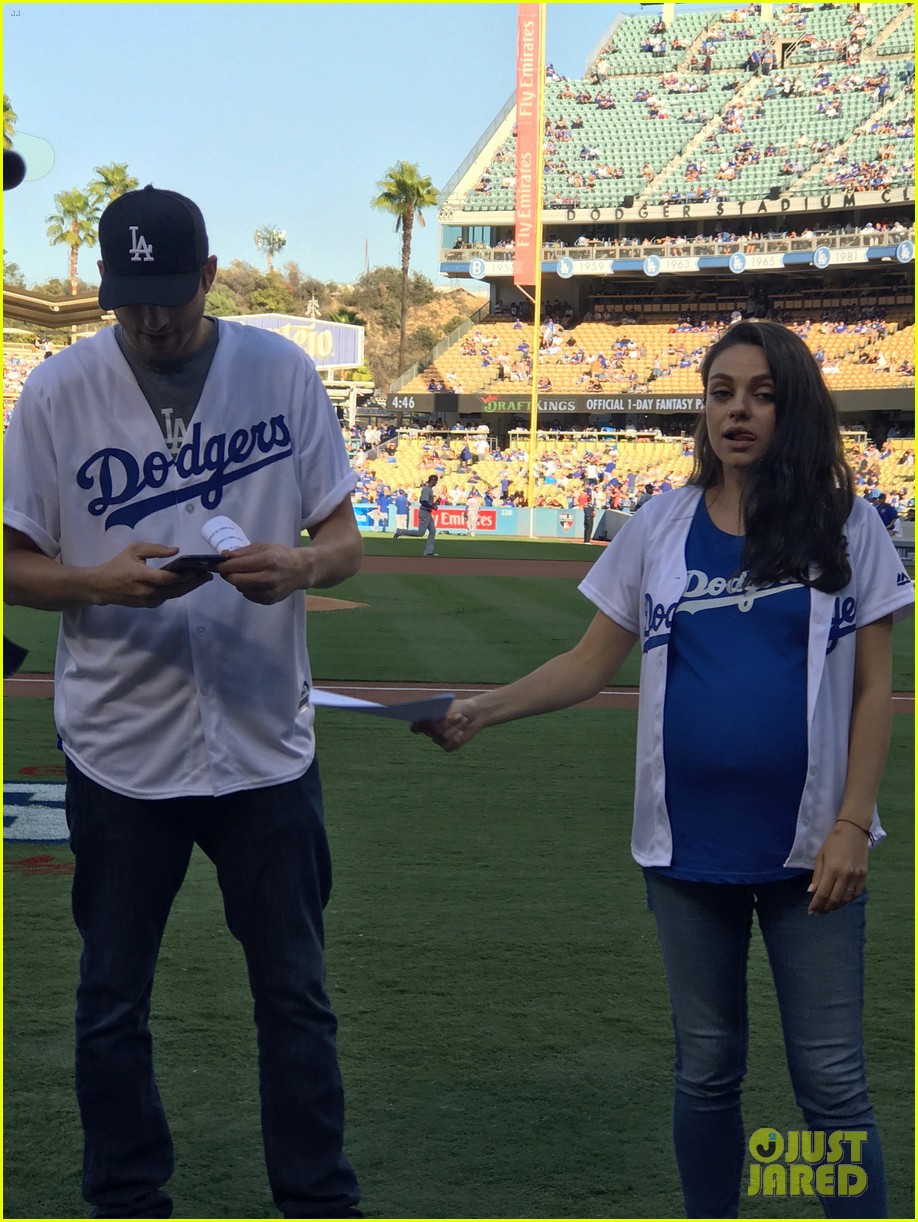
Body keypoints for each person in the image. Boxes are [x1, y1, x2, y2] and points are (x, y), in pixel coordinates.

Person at [413, 320, 913, 1219]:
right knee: (709, 1069)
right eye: (721, 392)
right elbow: (588, 661)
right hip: (685, 852)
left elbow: (877, 687)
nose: (738, 411)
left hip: (813, 856)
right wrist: (479, 711)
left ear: (792, 405)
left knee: (832, 1083)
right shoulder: (661, 523)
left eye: (761, 393)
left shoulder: (848, 524)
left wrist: (851, 823)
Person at [3, 186, 364, 1220]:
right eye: (130, 299)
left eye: (167, 295)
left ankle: (316, 1198)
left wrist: (300, 563)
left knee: (294, 994)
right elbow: (12, 564)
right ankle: (125, 1197)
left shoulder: (280, 372)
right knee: (111, 996)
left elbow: (344, 541)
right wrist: (98, 583)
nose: (150, 318)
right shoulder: (59, 391)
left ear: (209, 277)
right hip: (121, 744)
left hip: (265, 745)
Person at [393, 474, 439, 556]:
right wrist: (432, 506)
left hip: (428, 512)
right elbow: (423, 502)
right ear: (432, 480)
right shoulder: (426, 489)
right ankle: (400, 531)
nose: (436, 482)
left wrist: (432, 504)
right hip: (425, 512)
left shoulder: (429, 490)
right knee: (420, 533)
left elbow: (422, 500)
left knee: (433, 531)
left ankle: (429, 551)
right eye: (435, 481)